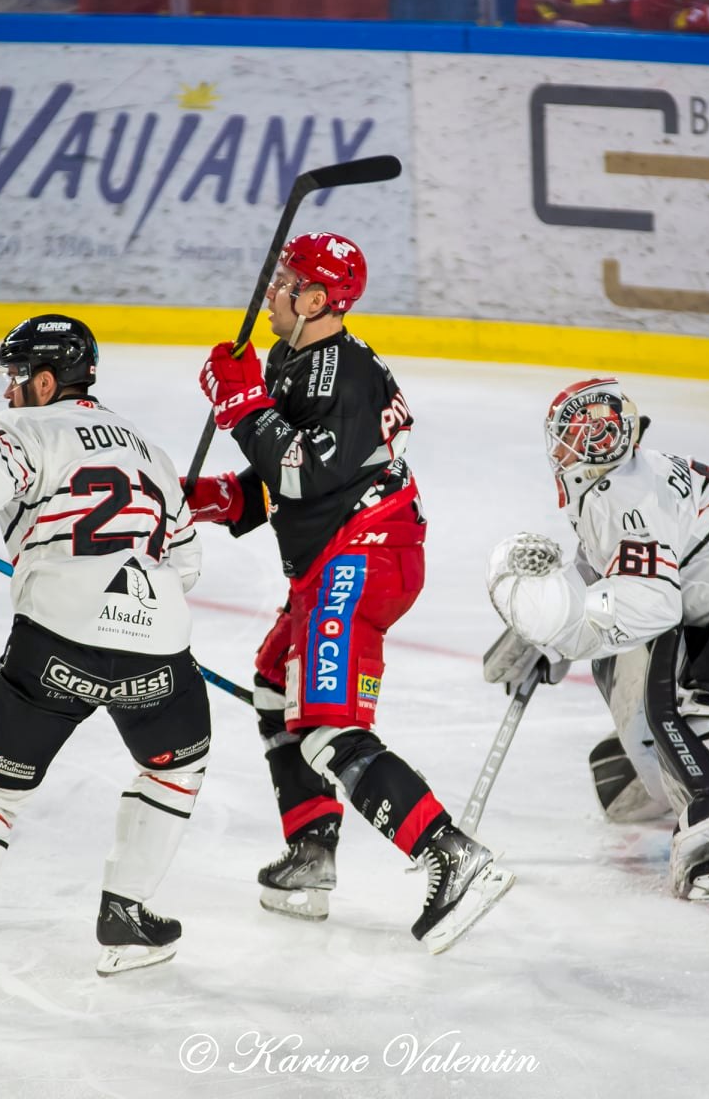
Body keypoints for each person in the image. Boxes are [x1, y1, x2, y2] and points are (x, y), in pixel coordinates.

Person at [182, 231, 514, 954]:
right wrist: (209, 498)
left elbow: (301, 471)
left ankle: (450, 854)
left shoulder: (346, 370)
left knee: (327, 723)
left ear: (315, 299)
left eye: (284, 283)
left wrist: (240, 408)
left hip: (366, 553)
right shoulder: (293, 358)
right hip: (330, 553)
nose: (271, 294)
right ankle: (311, 856)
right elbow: (284, 484)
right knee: (276, 686)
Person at [0, 314, 210, 1004]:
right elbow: (187, 565)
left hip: (55, 642)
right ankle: (125, 915)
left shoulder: (26, 430)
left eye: (14, 379)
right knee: (176, 769)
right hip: (161, 649)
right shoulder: (151, 450)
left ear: (44, 381)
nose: (7, 391)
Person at [485, 377, 709, 901]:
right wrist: (545, 641)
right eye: (567, 434)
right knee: (667, 700)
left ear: (612, 441)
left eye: (587, 435)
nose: (571, 447)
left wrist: (558, 625)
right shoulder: (627, 477)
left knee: (698, 705)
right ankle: (670, 778)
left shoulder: (620, 494)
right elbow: (605, 573)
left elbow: (653, 604)